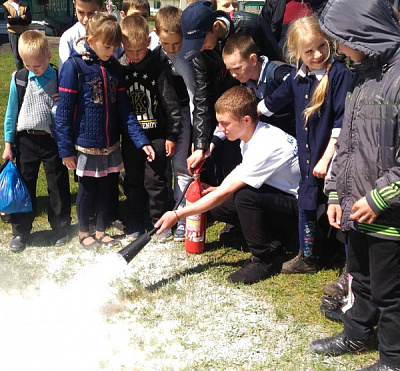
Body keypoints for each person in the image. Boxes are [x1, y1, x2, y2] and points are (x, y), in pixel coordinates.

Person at [308, 1, 400, 370]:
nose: (339, 50)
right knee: (360, 278)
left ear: (364, 35)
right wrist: (335, 193)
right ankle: (356, 332)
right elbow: (347, 142)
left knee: (391, 292)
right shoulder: (361, 74)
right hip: (357, 206)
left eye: (342, 41)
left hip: (389, 212)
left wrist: (380, 197)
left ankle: (393, 358)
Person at [155, 86, 301, 285]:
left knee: (244, 197)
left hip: (300, 211)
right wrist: (216, 191)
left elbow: (228, 191)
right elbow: (239, 178)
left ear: (246, 120)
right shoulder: (251, 135)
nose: (221, 130)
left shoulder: (266, 144)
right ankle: (273, 238)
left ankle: (264, 259)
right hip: (281, 197)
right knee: (220, 206)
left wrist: (178, 214)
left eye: (225, 124)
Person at [258, 15, 353, 274]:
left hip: (334, 156)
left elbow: (343, 122)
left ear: (329, 43)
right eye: (308, 51)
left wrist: (326, 159)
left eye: (321, 46)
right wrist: (245, 114)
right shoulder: (297, 78)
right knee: (307, 203)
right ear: (296, 53)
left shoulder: (340, 75)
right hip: (308, 158)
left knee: (342, 207)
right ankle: (308, 256)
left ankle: (350, 266)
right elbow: (272, 102)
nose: (317, 54)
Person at [55, 12, 155, 249]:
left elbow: (125, 110)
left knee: (107, 188)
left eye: (114, 47)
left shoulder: (114, 69)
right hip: (85, 143)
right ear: (91, 41)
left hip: (110, 143)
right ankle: (83, 231)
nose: (111, 51)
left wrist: (141, 140)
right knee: (87, 189)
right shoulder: (74, 67)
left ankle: (100, 231)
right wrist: (65, 150)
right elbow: (63, 113)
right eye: (106, 46)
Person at [179, 0, 282, 179]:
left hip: (261, 106)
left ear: (216, 25)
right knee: (223, 163)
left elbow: (275, 62)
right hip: (224, 107)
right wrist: (201, 142)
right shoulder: (199, 53)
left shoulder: (252, 25)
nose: (200, 47)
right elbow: (202, 98)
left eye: (201, 41)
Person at [2, 30, 71, 253]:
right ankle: (21, 231)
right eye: (29, 65)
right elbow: (11, 113)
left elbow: (69, 110)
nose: (34, 70)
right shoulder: (19, 78)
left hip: (52, 140)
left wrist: (63, 101)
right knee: (25, 186)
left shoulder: (60, 78)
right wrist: (8, 144)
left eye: (38, 66)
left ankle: (60, 228)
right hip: (26, 141)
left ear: (48, 57)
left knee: (57, 185)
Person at [119, 15, 181, 243]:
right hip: (131, 139)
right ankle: (135, 223)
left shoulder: (158, 68)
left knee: (155, 182)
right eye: (129, 50)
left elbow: (171, 105)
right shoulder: (120, 68)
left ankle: (160, 225)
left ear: (148, 41)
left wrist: (172, 134)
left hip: (156, 136)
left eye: (139, 50)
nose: (134, 55)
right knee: (133, 181)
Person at [153, 6, 195, 242]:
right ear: (157, 34)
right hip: (159, 119)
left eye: (176, 44)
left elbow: (193, 96)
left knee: (181, 167)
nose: (171, 49)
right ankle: (160, 219)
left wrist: (195, 136)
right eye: (166, 43)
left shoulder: (186, 59)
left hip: (182, 117)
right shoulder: (152, 52)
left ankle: (182, 219)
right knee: (159, 170)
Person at [222, 32, 296, 138]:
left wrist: (263, 107)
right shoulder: (243, 83)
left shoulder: (279, 74)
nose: (233, 74)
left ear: (253, 60)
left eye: (237, 68)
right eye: (230, 70)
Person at [58, 0, 104, 72]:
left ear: (102, 9)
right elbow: (64, 73)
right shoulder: (68, 38)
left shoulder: (112, 34)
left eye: (91, 13)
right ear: (75, 6)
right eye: (80, 12)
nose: (86, 19)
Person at [1, 0, 32, 70]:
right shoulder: (6, 5)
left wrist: (14, 19)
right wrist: (21, 18)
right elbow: (9, 21)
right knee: (17, 55)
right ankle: (20, 72)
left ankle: (29, 70)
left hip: (25, 32)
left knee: (27, 53)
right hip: (13, 33)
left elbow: (29, 20)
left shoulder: (25, 4)